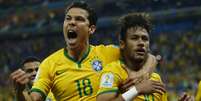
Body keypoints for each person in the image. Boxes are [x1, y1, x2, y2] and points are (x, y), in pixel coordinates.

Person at [10, 1, 159, 101]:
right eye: (68, 19)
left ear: (91, 29)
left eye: (79, 19)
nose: (72, 22)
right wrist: (20, 91)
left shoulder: (108, 53)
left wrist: (141, 75)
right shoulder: (49, 64)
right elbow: (34, 99)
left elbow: (150, 57)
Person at [97, 13, 167, 101]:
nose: (141, 43)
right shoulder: (112, 72)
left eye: (145, 39)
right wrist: (137, 90)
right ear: (122, 44)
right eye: (134, 38)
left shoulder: (155, 78)